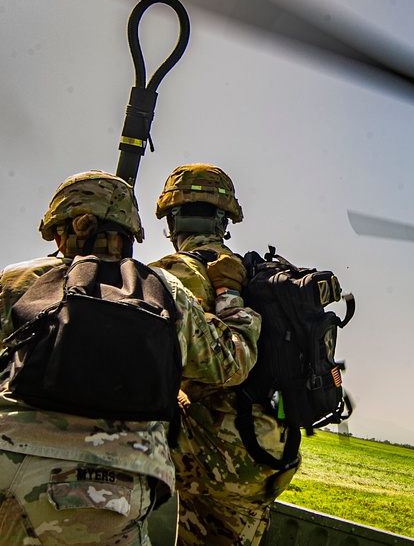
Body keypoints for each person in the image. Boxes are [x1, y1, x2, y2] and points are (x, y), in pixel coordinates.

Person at [0, 170, 260, 545]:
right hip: (112, 490)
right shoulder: (162, 290)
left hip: (8, 459)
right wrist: (230, 295)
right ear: (128, 238)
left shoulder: (17, 281)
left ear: (61, 233)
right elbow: (232, 363)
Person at [150, 163, 312, 545]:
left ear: (172, 222)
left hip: (217, 458)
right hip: (270, 451)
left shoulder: (173, 274)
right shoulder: (250, 271)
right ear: (225, 222)